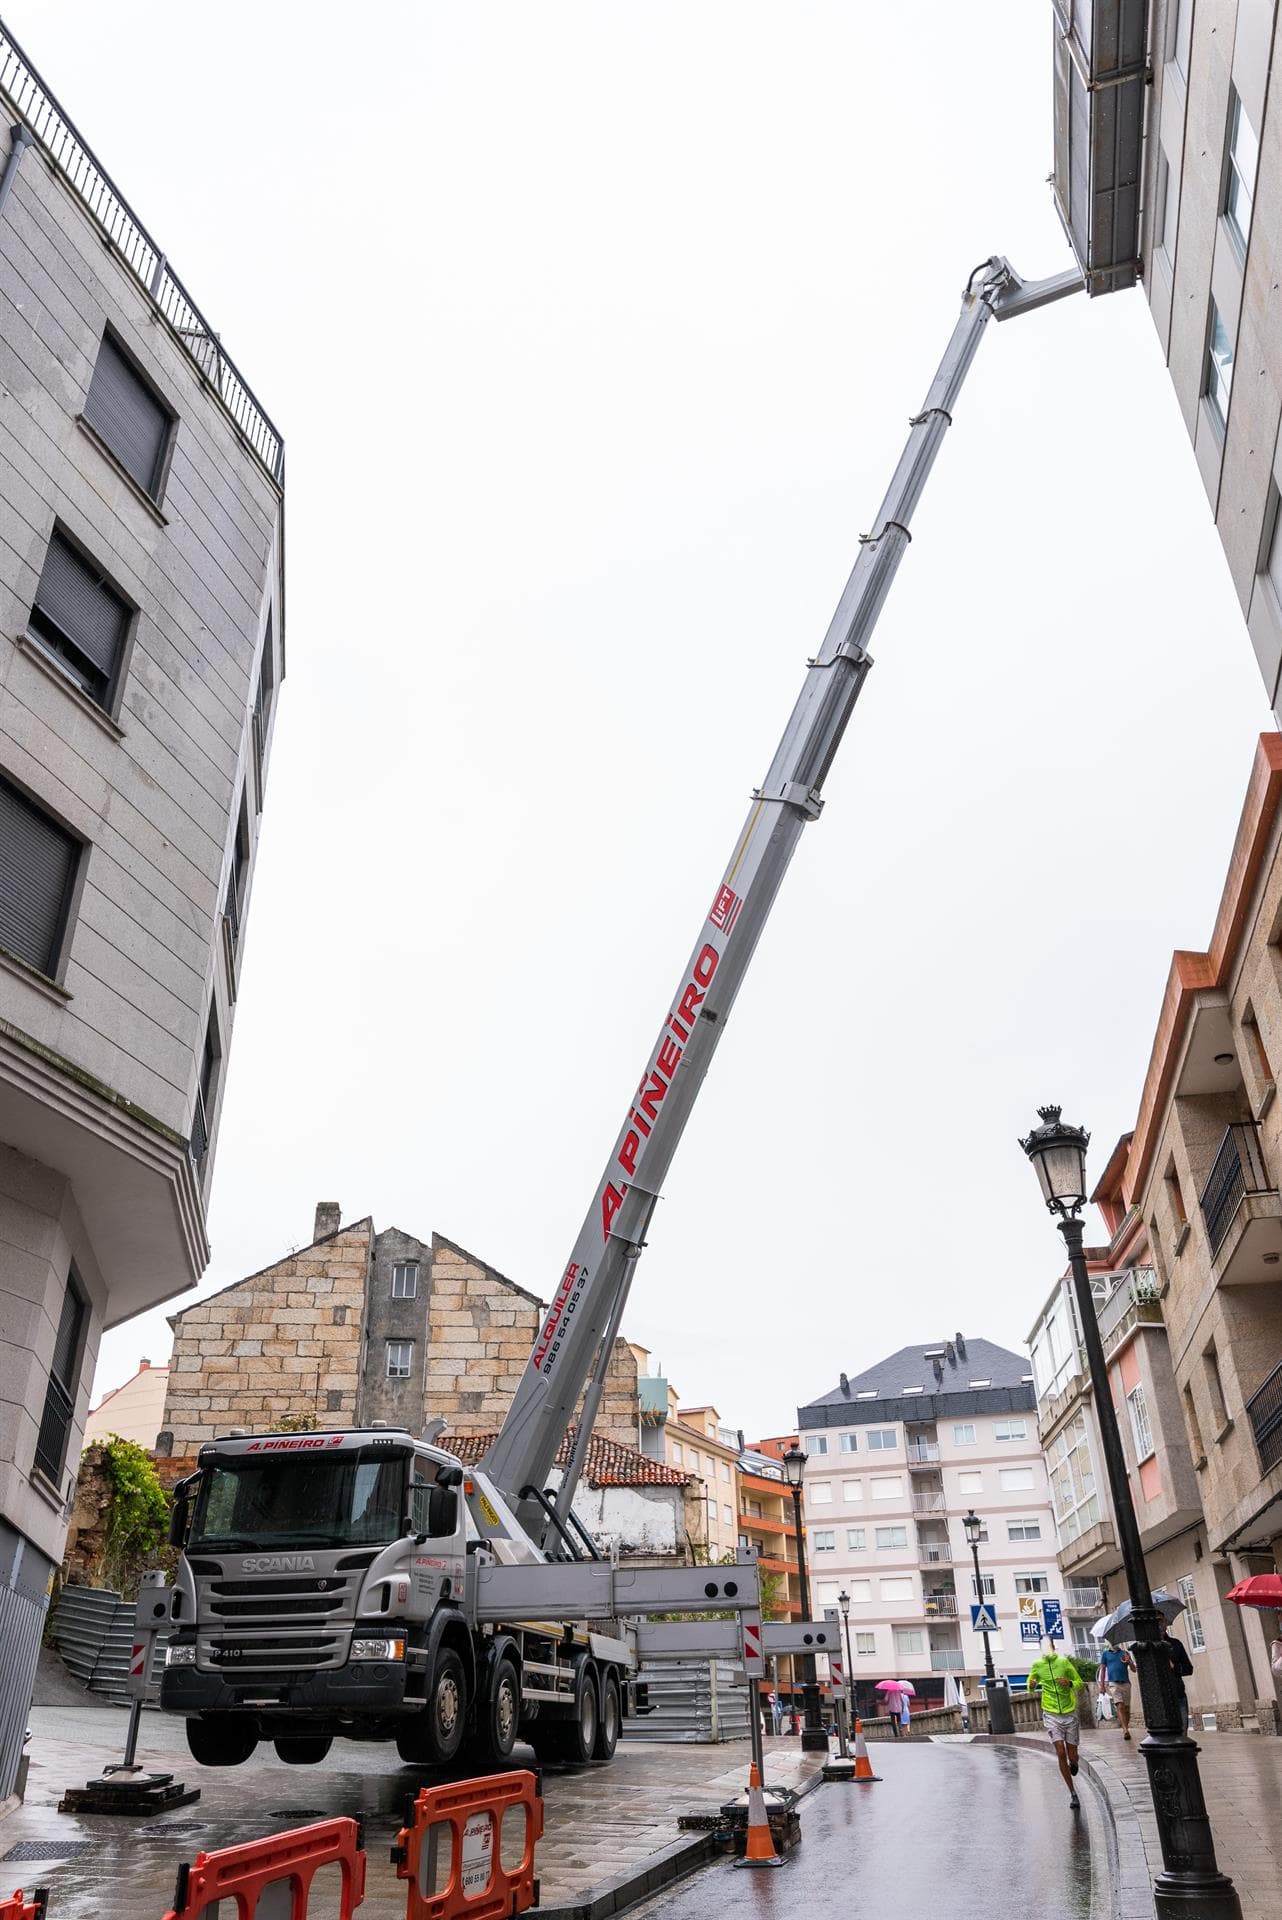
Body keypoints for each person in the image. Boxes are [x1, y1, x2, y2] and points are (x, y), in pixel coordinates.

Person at [1028, 1646, 1086, 1810]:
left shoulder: (1064, 1662)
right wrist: (1032, 1685)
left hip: (1069, 1713)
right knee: (1060, 1751)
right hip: (1051, 1712)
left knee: (1072, 1755)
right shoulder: (1037, 1665)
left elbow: (1079, 1683)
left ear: (1053, 1647)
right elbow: (1030, 1685)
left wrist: (1069, 1683)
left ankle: (1074, 1761)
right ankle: (1073, 1792)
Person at [1098, 1642, 1135, 1739]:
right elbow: (1102, 1670)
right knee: (1120, 1705)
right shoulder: (1105, 1654)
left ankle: (1126, 1727)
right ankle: (1125, 1730)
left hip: (1126, 1683)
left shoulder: (1125, 1653)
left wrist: (1129, 1661)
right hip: (1113, 1683)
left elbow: (1134, 1669)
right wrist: (1102, 1686)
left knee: (1127, 1708)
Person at [1161, 1629, 1195, 1734]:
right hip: (1160, 1697)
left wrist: (1174, 1666)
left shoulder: (1175, 1644)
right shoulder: (1147, 1648)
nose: (1158, 1625)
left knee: (1183, 1730)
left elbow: (1188, 1669)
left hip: (1177, 1691)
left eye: (1161, 1621)